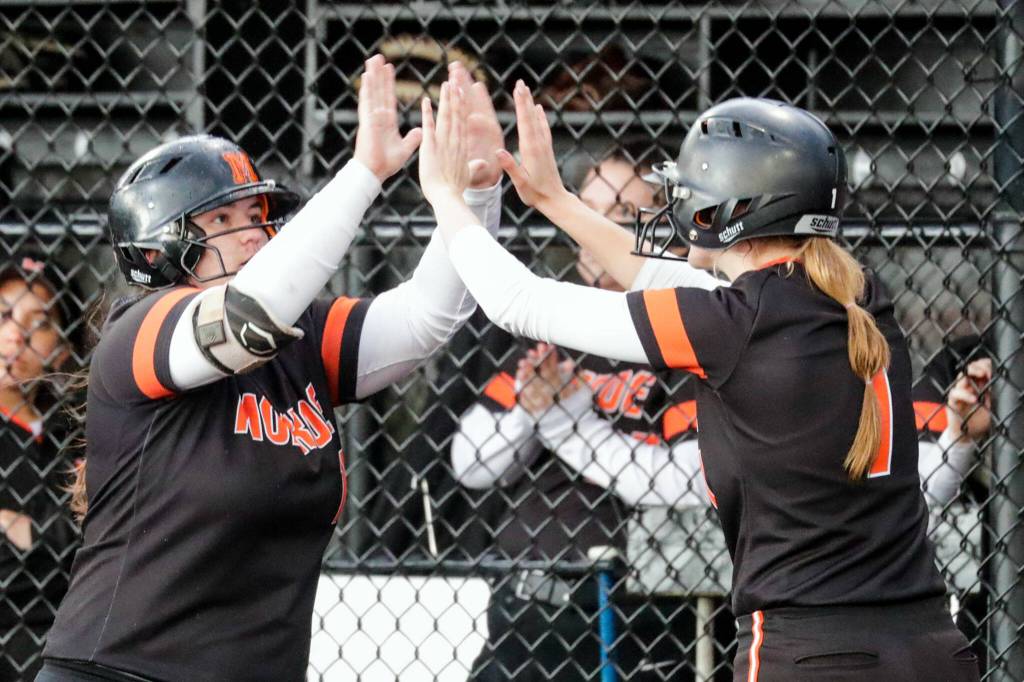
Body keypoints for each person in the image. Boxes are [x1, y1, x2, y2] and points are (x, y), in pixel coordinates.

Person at [419, 84, 980, 681]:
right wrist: (555, 201)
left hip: (813, 653)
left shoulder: (731, 324)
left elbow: (517, 301)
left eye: (693, 192)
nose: (682, 204)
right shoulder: (857, 292)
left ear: (737, 210)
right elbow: (660, 281)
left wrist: (448, 197)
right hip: (931, 647)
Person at [36, 58, 503, 682]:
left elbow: (426, 319)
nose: (255, 234)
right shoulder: (139, 331)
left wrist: (473, 193)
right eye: (224, 221)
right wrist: (365, 173)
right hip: (119, 671)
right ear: (159, 249)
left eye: (257, 216)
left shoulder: (298, 339)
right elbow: (249, 312)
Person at [451, 152, 711, 681]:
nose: (593, 229)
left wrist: (567, 422)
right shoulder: (556, 317)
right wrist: (532, 407)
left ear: (662, 226)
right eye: (585, 209)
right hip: (525, 598)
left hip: (643, 607)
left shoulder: (687, 323)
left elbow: (683, 482)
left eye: (617, 214)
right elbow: (470, 462)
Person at [0, 253, 79, 681]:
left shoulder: (76, 434)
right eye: (2, 315)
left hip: (69, 651)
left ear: (62, 350)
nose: (14, 335)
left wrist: (28, 533)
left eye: (39, 322)